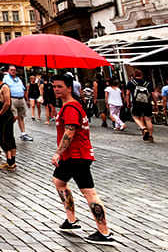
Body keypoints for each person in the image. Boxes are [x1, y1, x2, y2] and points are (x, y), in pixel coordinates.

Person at [51, 73, 114, 245]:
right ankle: (71, 221)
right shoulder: (69, 106)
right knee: (59, 181)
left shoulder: (71, 107)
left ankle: (104, 231)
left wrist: (58, 152)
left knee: (89, 193)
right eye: (54, 86)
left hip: (76, 155)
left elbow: (70, 131)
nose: (56, 89)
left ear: (69, 88)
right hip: (74, 155)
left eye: (60, 86)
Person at [0, 70, 18, 170]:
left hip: (5, 116)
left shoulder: (5, 87)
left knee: (6, 137)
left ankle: (11, 161)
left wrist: (0, 113)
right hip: (1, 114)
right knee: (5, 137)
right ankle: (9, 160)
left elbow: (7, 102)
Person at [4, 65, 33, 141]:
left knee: (21, 117)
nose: (13, 71)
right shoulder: (6, 78)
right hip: (12, 99)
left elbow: (23, 90)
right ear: (8, 70)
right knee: (14, 117)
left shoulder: (18, 79)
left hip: (21, 99)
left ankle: (23, 133)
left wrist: (27, 100)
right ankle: (8, 132)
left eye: (14, 70)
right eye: (12, 70)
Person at [125, 68, 155, 142]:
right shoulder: (148, 83)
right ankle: (150, 136)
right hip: (147, 103)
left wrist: (128, 102)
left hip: (136, 103)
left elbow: (128, 93)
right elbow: (153, 94)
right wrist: (155, 104)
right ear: (142, 75)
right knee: (148, 119)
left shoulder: (131, 83)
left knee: (135, 117)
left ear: (134, 75)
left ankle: (143, 128)